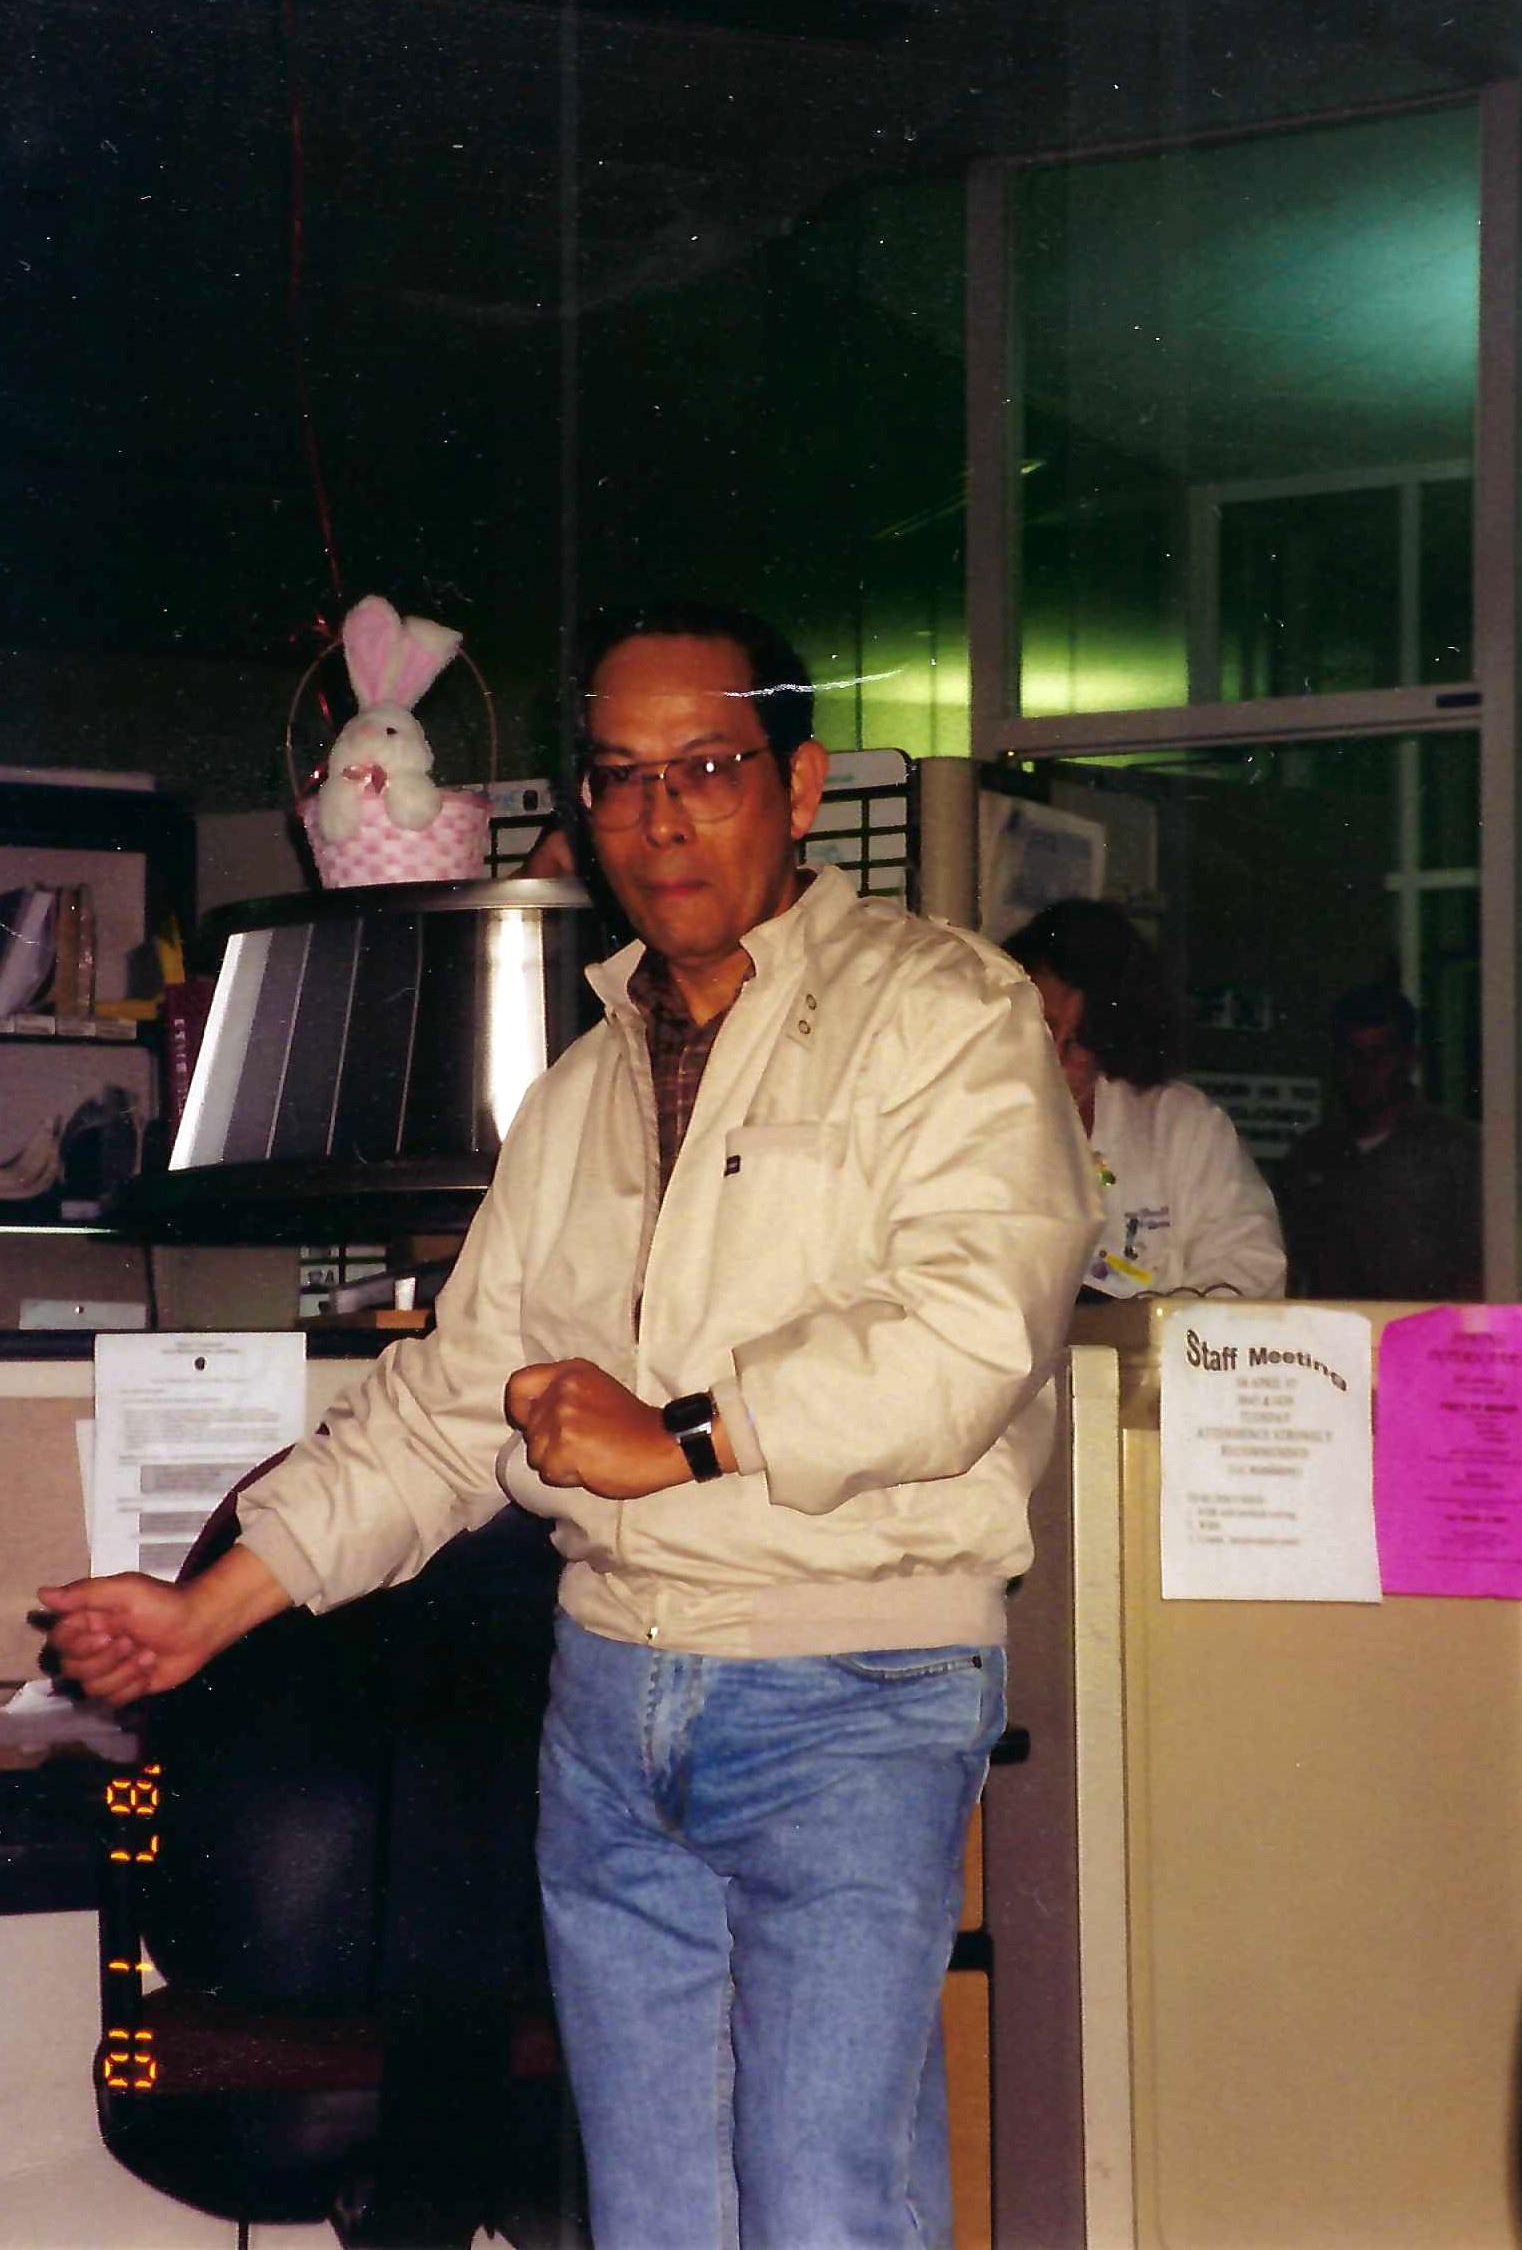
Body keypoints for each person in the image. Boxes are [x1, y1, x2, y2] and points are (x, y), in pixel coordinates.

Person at [40, 602, 1100, 2250]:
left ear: (801, 781)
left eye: (708, 768)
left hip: (850, 1693)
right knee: (655, 2212)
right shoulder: (580, 1087)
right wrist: (207, 1609)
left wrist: (682, 1435)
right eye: (619, 777)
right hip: (609, 1705)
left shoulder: (941, 1014)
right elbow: (448, 1407)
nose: (660, 818)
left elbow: (972, 1330)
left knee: (823, 2200)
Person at [1005, 897, 1285, 1299]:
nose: (1060, 1056)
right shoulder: (979, 1122)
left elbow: (1249, 1268)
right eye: (1046, 1029)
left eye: (1082, 1036)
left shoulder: (1184, 1125)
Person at [1277, 981, 1483, 1301]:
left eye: (1378, 1055)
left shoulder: (1459, 1151)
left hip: (1426, 1341)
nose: (1364, 1070)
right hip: (1332, 1342)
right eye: (1352, 1055)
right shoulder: (1311, 1157)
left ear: (1409, 1059)